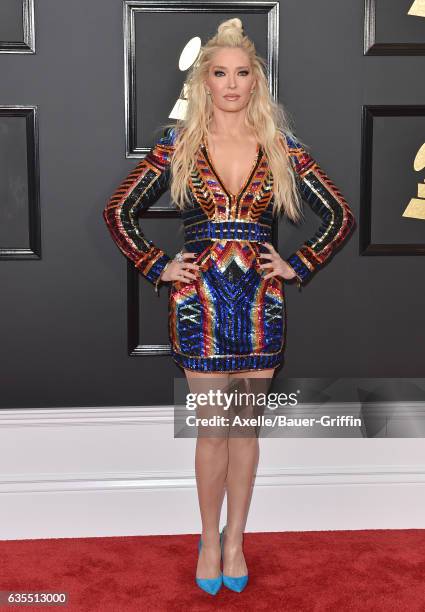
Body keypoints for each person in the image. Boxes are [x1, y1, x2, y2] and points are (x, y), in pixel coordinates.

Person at [103, 17, 355, 596]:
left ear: (255, 83)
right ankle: (207, 539)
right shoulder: (179, 144)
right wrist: (156, 263)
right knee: (211, 432)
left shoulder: (280, 147)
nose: (233, 84)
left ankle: (236, 539)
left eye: (243, 74)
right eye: (220, 74)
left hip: (262, 304)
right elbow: (119, 212)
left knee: (244, 432)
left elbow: (340, 215)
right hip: (200, 304)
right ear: (204, 82)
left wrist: (300, 262)